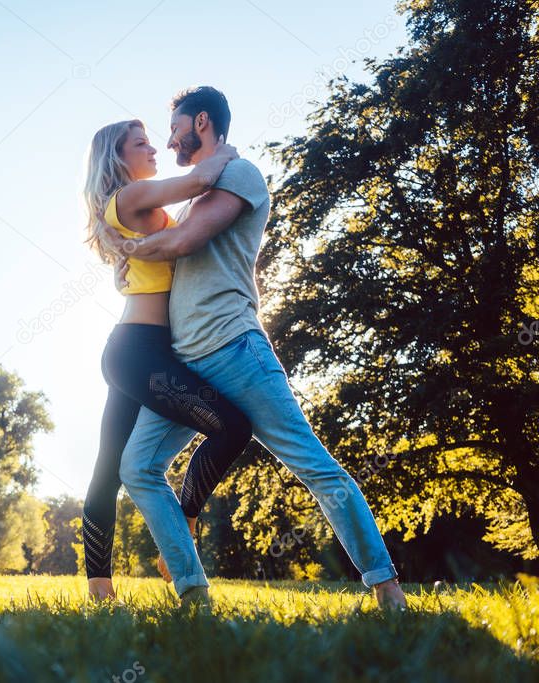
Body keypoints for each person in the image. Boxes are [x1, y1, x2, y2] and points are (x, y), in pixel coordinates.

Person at [100, 86, 407, 609]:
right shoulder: (197, 190)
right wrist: (131, 259)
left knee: (314, 466)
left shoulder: (239, 175)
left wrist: (126, 246)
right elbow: (166, 250)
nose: (167, 137)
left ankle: (386, 586)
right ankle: (192, 591)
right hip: (187, 361)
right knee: (138, 468)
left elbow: (183, 243)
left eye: (173, 126)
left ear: (200, 122)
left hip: (235, 350)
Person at [80, 119, 253, 601]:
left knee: (109, 468)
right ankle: (183, 523)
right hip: (138, 351)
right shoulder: (130, 198)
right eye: (141, 143)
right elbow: (200, 179)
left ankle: (101, 590)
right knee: (232, 427)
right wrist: (226, 148)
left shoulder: (142, 203)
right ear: (117, 157)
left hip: (144, 351)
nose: (153, 147)